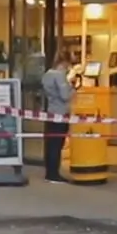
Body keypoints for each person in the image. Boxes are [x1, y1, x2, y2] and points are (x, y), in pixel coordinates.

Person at [40, 52, 75, 183]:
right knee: (57, 144)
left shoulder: (47, 75)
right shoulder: (60, 76)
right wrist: (72, 88)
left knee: (51, 144)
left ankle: (49, 171)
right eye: (68, 65)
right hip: (61, 113)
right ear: (64, 63)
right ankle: (54, 174)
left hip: (50, 111)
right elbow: (65, 96)